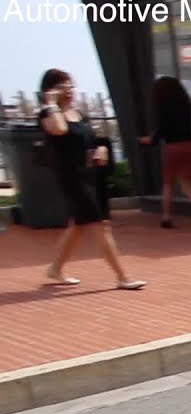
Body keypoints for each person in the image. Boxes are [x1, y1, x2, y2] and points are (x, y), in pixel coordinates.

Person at [37, 69, 145, 290]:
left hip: (90, 175)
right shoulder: (48, 114)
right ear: (50, 90)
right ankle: (122, 277)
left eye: (71, 86)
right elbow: (59, 129)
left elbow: (91, 139)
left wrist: (101, 149)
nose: (69, 91)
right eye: (63, 87)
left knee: (78, 225)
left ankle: (55, 268)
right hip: (71, 177)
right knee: (100, 225)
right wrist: (51, 103)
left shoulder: (78, 114)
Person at [138, 76, 191, 230]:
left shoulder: (162, 108)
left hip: (172, 148)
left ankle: (166, 217)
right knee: (187, 186)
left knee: (168, 184)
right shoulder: (186, 105)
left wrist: (147, 140)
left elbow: (161, 131)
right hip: (190, 145)